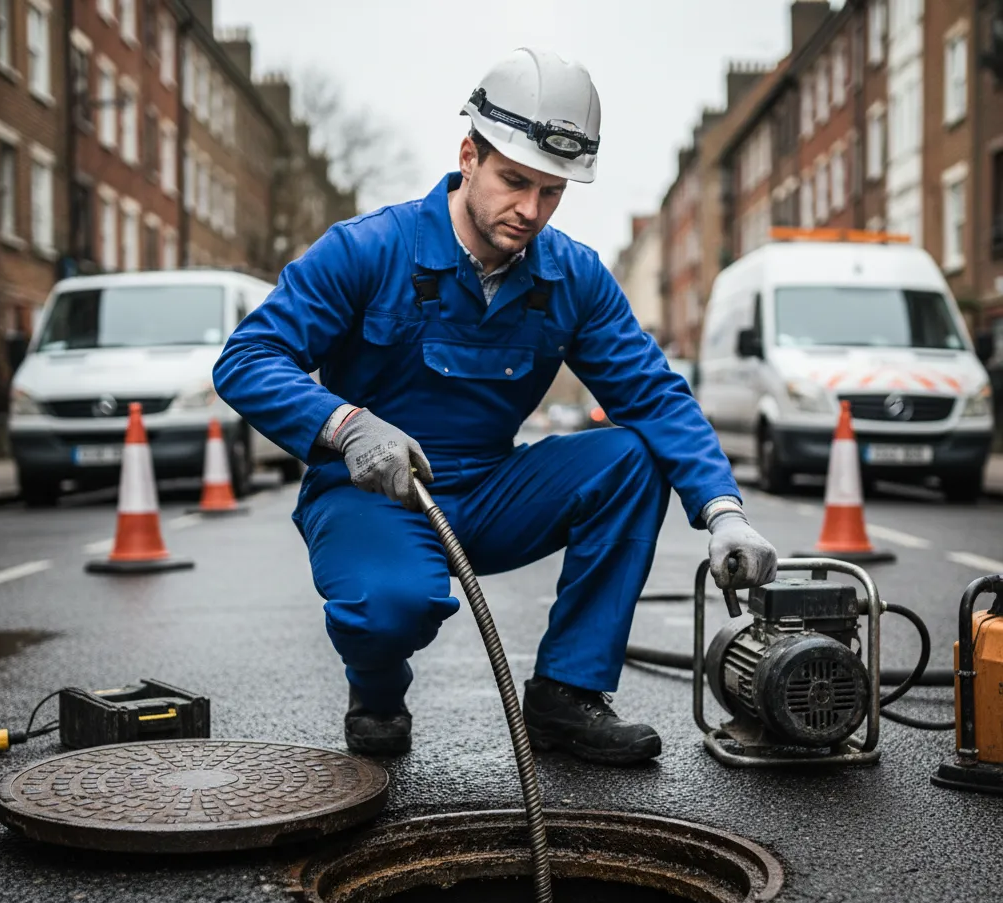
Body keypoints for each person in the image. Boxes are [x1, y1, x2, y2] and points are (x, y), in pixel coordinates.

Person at [213, 48, 778, 765]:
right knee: (395, 606)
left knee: (632, 457)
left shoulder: (571, 275)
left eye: (552, 192)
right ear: (469, 155)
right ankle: (378, 692)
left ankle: (566, 695)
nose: (531, 210)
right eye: (515, 181)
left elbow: (654, 393)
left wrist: (723, 512)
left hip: (487, 489)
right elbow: (246, 359)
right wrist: (345, 425)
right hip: (367, 492)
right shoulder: (368, 250)